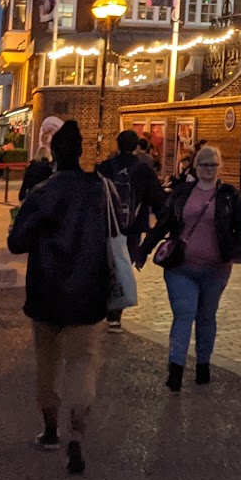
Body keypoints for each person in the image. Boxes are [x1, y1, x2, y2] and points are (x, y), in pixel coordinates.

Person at [6, 121, 108, 476]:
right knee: (83, 360)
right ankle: (77, 432)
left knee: (48, 362)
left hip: (47, 289)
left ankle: (50, 430)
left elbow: (16, 243)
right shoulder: (100, 190)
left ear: (53, 153)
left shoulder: (42, 192)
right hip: (89, 290)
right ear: (81, 152)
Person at [140, 146, 241, 392]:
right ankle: (176, 369)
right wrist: (144, 249)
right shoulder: (182, 193)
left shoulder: (230, 195)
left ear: (219, 167)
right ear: (196, 167)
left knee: (207, 316)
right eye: (204, 165)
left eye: (213, 165)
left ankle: (203, 364)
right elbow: (164, 223)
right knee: (184, 314)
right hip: (182, 266)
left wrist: (239, 253)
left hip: (216, 269)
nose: (208, 170)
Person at [96, 129, 167, 330]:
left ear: (117, 145)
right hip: (133, 227)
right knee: (123, 265)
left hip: (107, 226)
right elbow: (158, 201)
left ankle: (104, 304)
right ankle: (115, 313)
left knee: (105, 263)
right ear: (136, 146)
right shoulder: (143, 170)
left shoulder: (105, 167)